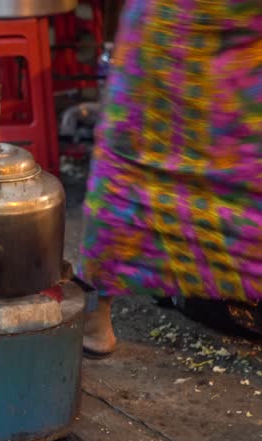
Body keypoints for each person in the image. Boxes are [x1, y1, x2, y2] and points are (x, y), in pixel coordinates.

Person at [80, 0, 261, 355]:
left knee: (132, 158)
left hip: (178, 22)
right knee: (242, 163)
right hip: (226, 25)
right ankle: (96, 314)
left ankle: (94, 316)